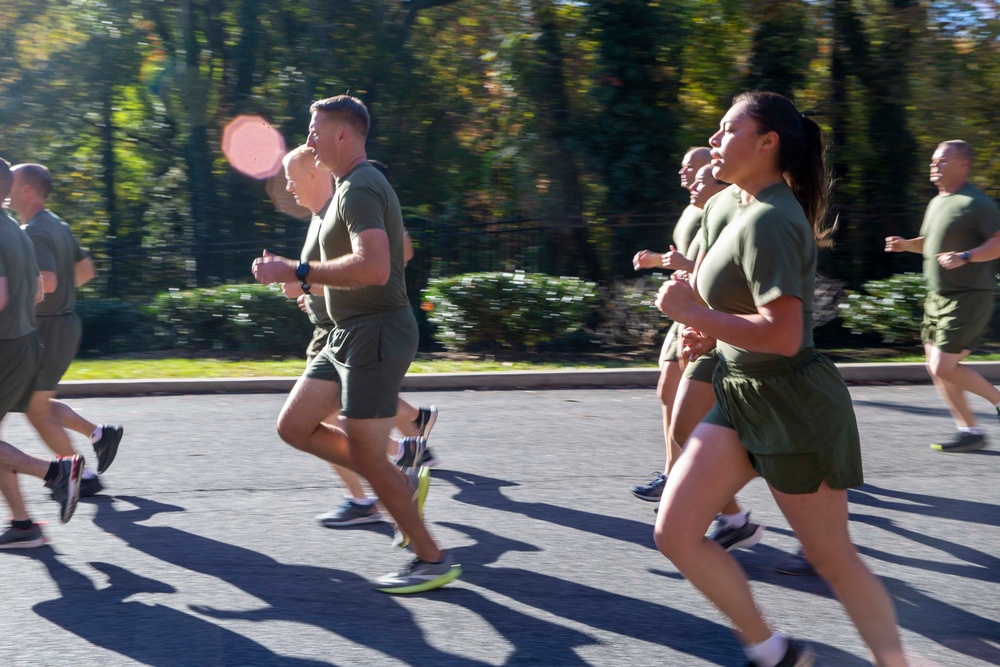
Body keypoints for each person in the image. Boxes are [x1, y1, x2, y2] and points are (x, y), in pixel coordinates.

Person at [655, 91, 908, 666]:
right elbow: (744, 311)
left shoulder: (771, 218)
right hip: (741, 393)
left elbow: (785, 333)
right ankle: (772, 651)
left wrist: (694, 316)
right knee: (676, 532)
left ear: (767, 142)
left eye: (726, 130)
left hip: (792, 403)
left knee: (832, 557)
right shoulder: (739, 208)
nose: (714, 141)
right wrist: (710, 331)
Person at [252, 95, 460, 594]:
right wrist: (305, 284)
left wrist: (298, 272)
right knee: (295, 426)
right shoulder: (345, 188)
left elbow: (376, 267)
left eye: (316, 130)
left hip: (375, 332)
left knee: (368, 456)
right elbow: (350, 270)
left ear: (343, 134)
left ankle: (430, 557)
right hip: (343, 335)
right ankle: (397, 479)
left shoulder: (361, 187)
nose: (309, 140)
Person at [278, 145, 438, 528]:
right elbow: (331, 275)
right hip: (335, 330)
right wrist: (310, 290)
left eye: (293, 177)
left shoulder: (355, 202)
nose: (287, 186)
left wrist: (307, 285)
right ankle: (402, 452)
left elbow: (376, 266)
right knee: (334, 419)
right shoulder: (323, 215)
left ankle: (380, 488)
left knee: (331, 420)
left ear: (317, 173)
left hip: (350, 332)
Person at [5, 164, 123, 496]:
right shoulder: (55, 223)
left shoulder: (35, 232)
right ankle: (99, 435)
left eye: (9, 185)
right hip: (60, 322)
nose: (5, 191)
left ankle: (78, 476)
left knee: (35, 408)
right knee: (31, 401)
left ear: (26, 190)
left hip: (48, 327)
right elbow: (85, 271)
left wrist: (26, 302)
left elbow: (50, 281)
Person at [885, 140, 1000, 453]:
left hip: (967, 295)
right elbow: (933, 242)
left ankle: (997, 400)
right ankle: (970, 430)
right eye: (933, 161)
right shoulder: (938, 202)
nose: (934, 166)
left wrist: (966, 255)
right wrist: (907, 244)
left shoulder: (977, 203)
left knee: (943, 367)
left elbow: (998, 242)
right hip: (937, 297)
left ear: (963, 165)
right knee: (935, 367)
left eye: (942, 161)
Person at [0, 157, 84, 548]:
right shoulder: (16, 230)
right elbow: (37, 290)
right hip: (24, 341)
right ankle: (22, 525)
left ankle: (54, 473)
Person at [630, 147, 711, 502]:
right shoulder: (693, 206)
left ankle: (702, 486)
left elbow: (713, 262)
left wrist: (682, 265)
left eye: (691, 166)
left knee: (689, 401)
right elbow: (686, 257)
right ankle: (672, 473)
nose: (684, 172)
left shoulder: (717, 206)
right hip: (684, 308)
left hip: (702, 310)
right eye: (682, 166)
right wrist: (660, 261)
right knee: (668, 391)